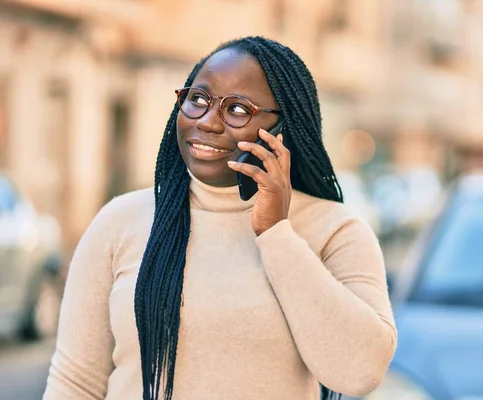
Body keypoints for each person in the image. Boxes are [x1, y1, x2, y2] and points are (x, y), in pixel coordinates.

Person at [43, 36, 397, 400]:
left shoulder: (335, 230)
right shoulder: (121, 222)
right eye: (198, 99)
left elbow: (360, 372)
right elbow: (76, 383)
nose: (209, 122)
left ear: (282, 129)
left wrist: (276, 233)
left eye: (238, 110)